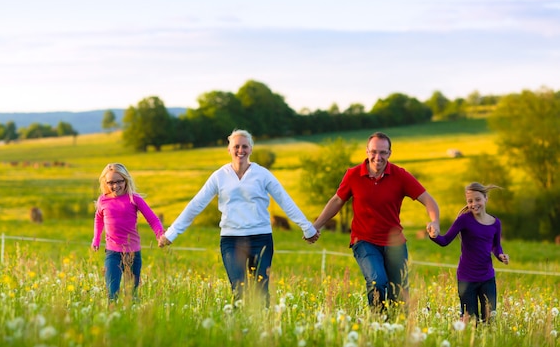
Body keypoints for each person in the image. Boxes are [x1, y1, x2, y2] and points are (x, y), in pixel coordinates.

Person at [158, 129, 319, 304]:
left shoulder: (262, 174)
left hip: (261, 239)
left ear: (251, 149)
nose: (240, 150)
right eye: (236, 146)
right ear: (229, 149)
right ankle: (237, 330)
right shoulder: (219, 176)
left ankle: (263, 328)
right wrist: (172, 233)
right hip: (231, 240)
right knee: (239, 292)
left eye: (244, 146)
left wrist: (307, 228)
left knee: (261, 293)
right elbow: (196, 205)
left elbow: (285, 201)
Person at [312, 131, 441, 312]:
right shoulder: (353, 175)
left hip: (394, 243)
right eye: (373, 152)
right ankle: (377, 324)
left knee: (399, 295)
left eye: (383, 152)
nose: (377, 157)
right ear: (367, 151)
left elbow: (428, 200)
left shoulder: (400, 176)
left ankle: (396, 330)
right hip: (364, 241)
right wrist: (315, 226)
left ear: (389, 153)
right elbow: (336, 201)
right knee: (377, 281)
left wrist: (434, 221)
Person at [428, 182, 509, 323]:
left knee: (489, 320)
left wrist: (500, 255)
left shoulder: (495, 223)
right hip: (466, 279)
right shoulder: (464, 220)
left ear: (485, 198)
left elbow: (496, 246)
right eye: (470, 201)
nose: (474, 204)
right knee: (470, 321)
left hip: (487, 278)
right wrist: (433, 235)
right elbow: (445, 240)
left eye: (477, 199)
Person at [92, 163, 164, 301]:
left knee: (131, 295)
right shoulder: (103, 200)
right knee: (112, 293)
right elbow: (98, 218)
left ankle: (131, 318)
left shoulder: (134, 199)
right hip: (112, 253)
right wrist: (96, 239)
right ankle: (113, 318)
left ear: (126, 180)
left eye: (120, 181)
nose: (115, 186)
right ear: (105, 182)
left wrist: (160, 235)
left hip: (133, 253)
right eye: (111, 182)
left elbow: (153, 219)